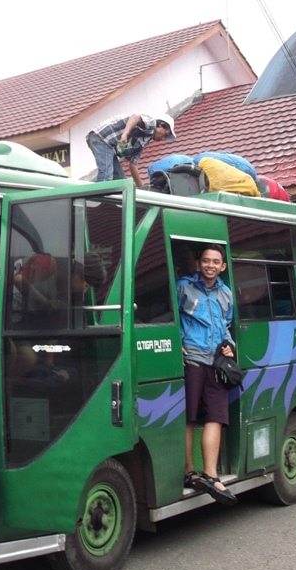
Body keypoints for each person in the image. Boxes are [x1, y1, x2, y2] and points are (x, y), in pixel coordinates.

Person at [177, 244, 237, 505]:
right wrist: (175, 340)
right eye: (206, 261)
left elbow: (226, 326)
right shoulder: (184, 287)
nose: (211, 265)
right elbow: (173, 317)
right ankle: (189, 472)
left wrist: (229, 346)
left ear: (223, 267)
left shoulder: (226, 294)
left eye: (216, 262)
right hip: (191, 358)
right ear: (199, 263)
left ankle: (210, 475)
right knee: (189, 417)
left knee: (216, 416)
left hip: (216, 360)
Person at [86, 113, 176, 188]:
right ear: (161, 126)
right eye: (165, 135)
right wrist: (125, 133)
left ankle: (112, 206)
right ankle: (95, 202)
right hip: (101, 137)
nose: (163, 139)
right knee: (106, 178)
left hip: (108, 145)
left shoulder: (144, 140)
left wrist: (142, 189)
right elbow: (135, 117)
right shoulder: (152, 123)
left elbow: (133, 165)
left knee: (121, 182)